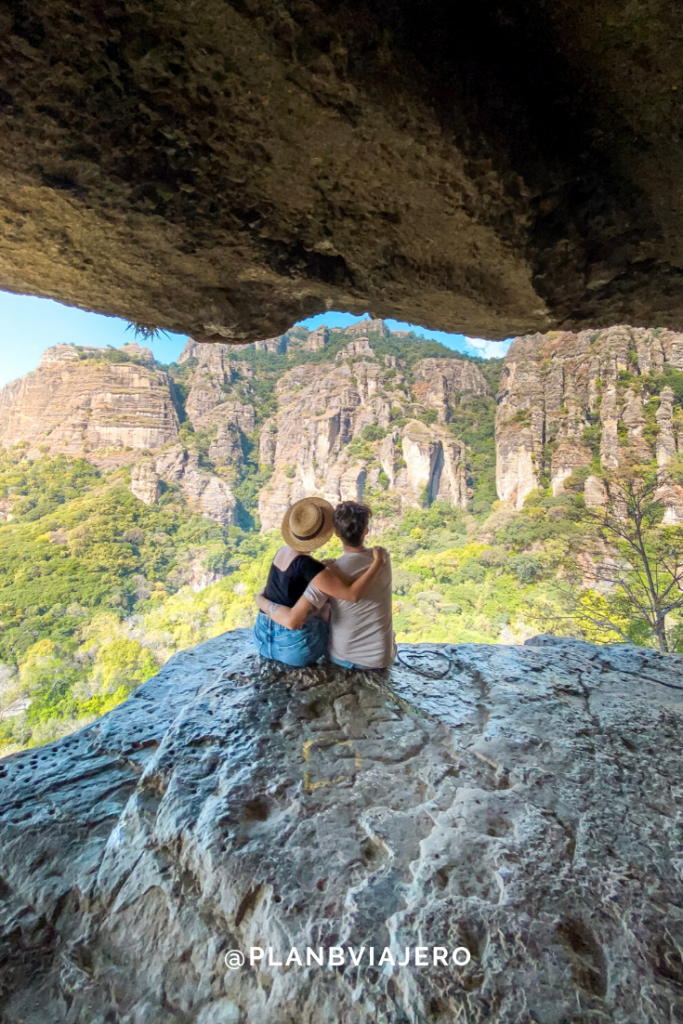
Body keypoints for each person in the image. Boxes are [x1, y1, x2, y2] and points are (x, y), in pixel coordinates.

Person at [255, 500, 396, 670]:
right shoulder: (318, 570)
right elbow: (351, 596)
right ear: (366, 531)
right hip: (292, 647)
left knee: (323, 605)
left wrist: (260, 600)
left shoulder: (284, 553)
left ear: (336, 533)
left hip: (261, 637)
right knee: (326, 609)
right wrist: (377, 562)